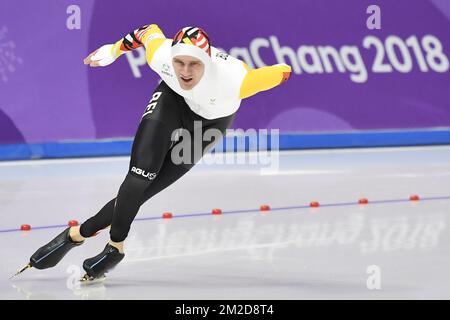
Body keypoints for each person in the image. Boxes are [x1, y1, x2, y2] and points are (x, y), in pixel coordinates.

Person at [18, 24, 292, 282]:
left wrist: (284, 69)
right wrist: (113, 50)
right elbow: (147, 31)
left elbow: (281, 72)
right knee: (139, 176)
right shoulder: (160, 55)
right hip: (173, 100)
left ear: (207, 63)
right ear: (170, 58)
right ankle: (116, 246)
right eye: (180, 62)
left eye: (195, 64)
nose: (185, 71)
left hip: (208, 124)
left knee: (147, 190)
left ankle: (77, 234)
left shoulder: (237, 80)